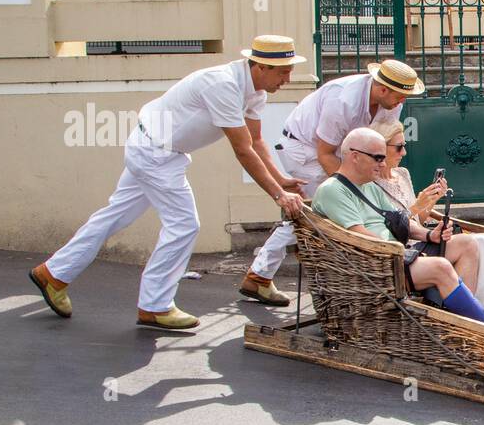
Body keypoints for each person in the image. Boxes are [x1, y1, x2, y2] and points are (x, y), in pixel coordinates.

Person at [30, 36, 308, 330]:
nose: (288, 78)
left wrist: (281, 179)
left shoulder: (256, 92)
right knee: (184, 225)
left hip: (154, 148)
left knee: (114, 217)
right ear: (261, 67)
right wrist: (278, 195)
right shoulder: (223, 85)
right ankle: (154, 305)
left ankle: (53, 274)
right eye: (283, 71)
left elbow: (256, 140)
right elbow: (242, 149)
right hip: (156, 154)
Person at [312, 128, 484, 335]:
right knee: (441, 267)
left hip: (396, 255)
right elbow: (360, 238)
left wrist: (429, 235)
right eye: (377, 157)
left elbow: (400, 220)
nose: (382, 163)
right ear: (354, 156)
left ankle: (459, 323)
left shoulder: (368, 185)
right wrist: (409, 253)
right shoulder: (332, 190)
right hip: (375, 267)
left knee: (468, 244)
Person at [240, 60, 423, 307]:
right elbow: (324, 152)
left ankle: (260, 274)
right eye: (400, 97)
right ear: (382, 89)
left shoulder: (390, 102)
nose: (402, 102)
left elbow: (378, 143)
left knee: (326, 210)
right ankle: (259, 275)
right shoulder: (343, 101)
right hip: (305, 149)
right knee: (313, 213)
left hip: (343, 150)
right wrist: (355, 189)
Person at [371, 118, 484, 332]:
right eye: (398, 147)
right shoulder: (371, 184)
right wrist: (418, 206)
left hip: (424, 238)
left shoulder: (402, 174)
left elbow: (419, 218)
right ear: (380, 149)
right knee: (475, 243)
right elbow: (395, 226)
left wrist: (431, 201)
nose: (404, 153)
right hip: (408, 250)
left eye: (404, 146)